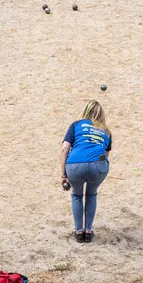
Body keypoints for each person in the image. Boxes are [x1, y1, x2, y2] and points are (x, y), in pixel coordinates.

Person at [60, 100, 112, 243]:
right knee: (91, 194)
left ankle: (79, 231)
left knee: (77, 194)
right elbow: (105, 154)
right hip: (98, 165)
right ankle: (88, 231)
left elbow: (65, 149)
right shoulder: (106, 131)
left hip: (75, 164)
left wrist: (64, 174)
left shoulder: (76, 125)